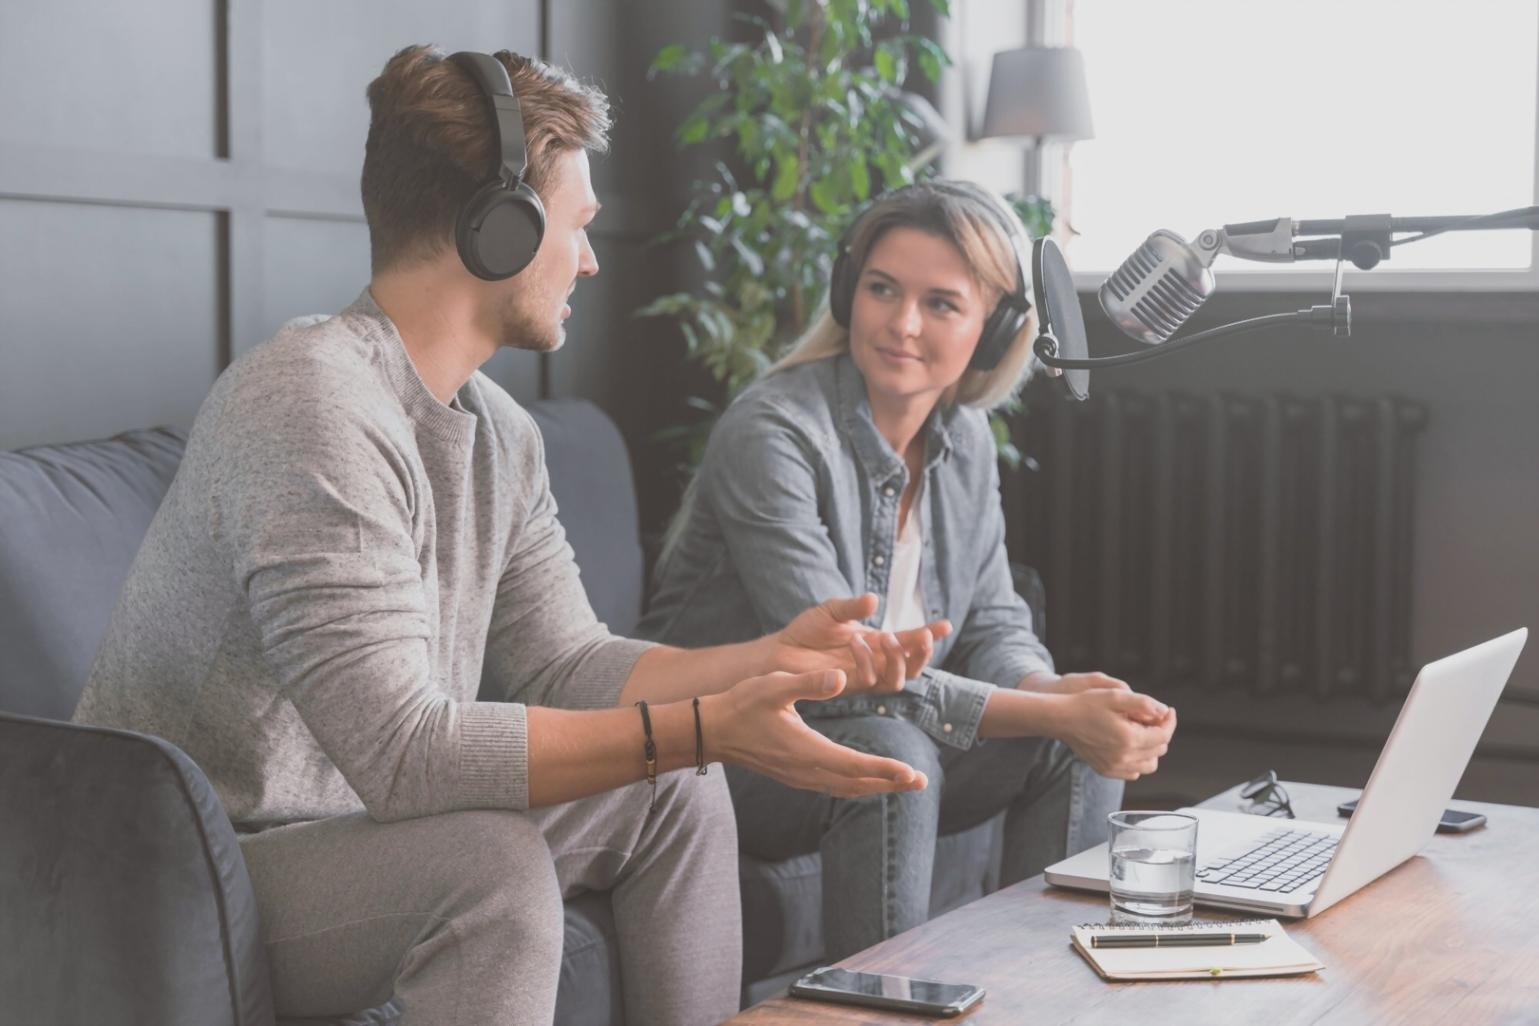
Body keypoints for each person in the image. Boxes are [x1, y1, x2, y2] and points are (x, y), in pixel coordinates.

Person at [72, 46, 947, 1026]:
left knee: (676, 788)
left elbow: (567, 659)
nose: (591, 259)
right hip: (192, 871)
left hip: (353, 834)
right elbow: (404, 753)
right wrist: (706, 722)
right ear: (499, 229)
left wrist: (761, 662)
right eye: (577, 227)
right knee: (491, 869)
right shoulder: (308, 402)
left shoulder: (500, 432)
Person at [639, 179, 1180, 961]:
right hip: (722, 747)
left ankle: (1046, 1003)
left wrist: (1050, 694)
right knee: (890, 748)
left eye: (940, 304)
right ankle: (878, 1011)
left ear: (993, 335)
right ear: (846, 291)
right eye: (881, 290)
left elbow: (995, 620)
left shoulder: (964, 444)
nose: (900, 324)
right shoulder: (772, 432)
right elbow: (846, 667)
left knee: (1073, 741)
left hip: (878, 726)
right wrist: (1046, 710)